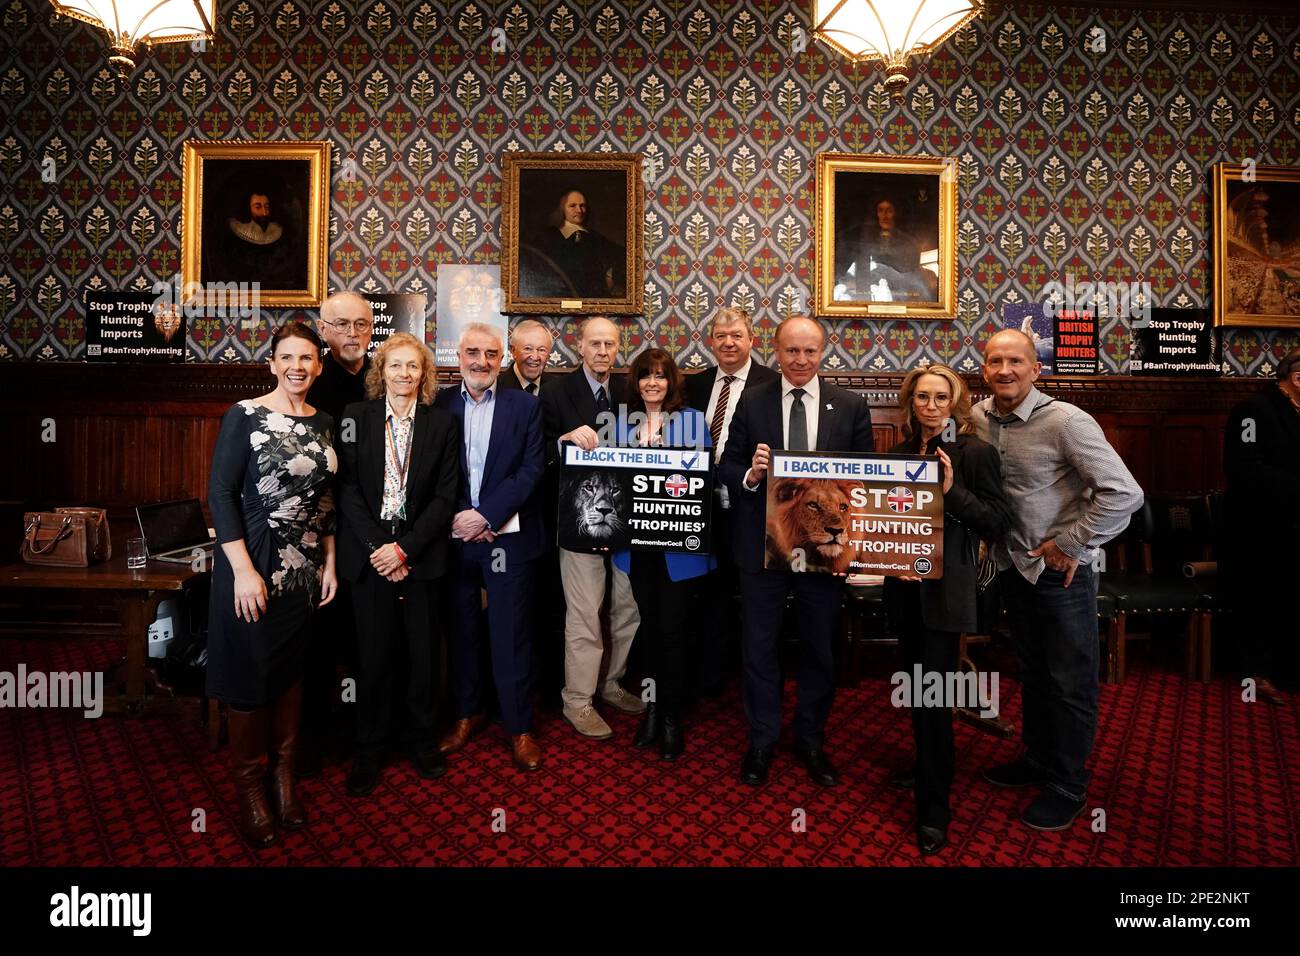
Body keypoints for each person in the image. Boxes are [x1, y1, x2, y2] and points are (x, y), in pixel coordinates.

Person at [973, 329, 1143, 831]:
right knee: (1033, 673)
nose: (1005, 370)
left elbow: (1123, 494)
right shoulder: (979, 418)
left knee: (1070, 681)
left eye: (1015, 362)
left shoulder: (1068, 422)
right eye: (994, 361)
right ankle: (1037, 759)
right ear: (983, 368)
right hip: (1012, 568)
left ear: (1036, 368)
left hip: (1061, 575)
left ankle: (1068, 782)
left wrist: (1070, 544)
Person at [718, 315, 875, 787]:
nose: (800, 360)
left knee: (818, 646)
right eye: (791, 351)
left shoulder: (849, 406)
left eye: (809, 351)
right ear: (777, 352)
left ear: (822, 351)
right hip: (762, 547)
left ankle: (811, 738)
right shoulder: (753, 401)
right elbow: (726, 465)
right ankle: (763, 738)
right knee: (759, 646)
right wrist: (751, 473)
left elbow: (866, 478)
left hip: (824, 552)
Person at [206, 321, 339, 848]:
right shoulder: (244, 415)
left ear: (319, 366)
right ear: (272, 363)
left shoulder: (325, 420)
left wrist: (328, 561)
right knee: (251, 673)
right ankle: (250, 789)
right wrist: (241, 569)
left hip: (304, 567)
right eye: (287, 358)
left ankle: (284, 779)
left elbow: (326, 500)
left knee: (289, 674)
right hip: (255, 560)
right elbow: (220, 493)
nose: (297, 368)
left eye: (307, 359)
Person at [882, 363, 1012, 855]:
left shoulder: (975, 452)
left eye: (940, 398)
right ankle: (926, 765)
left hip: (947, 589)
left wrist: (950, 489)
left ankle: (934, 808)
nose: (931, 406)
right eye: (922, 398)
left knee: (934, 694)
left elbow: (997, 520)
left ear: (954, 403)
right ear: (910, 402)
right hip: (903, 587)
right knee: (916, 687)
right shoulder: (897, 452)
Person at [336, 332, 460, 796]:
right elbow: (346, 490)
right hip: (370, 555)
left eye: (413, 366)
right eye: (395, 365)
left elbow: (446, 496)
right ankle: (369, 747)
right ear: (380, 371)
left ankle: (421, 739)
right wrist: (380, 549)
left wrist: (405, 549)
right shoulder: (355, 418)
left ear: (424, 374)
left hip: (420, 555)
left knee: (423, 656)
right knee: (373, 655)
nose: (405, 374)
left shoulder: (442, 424)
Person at [435, 323, 548, 771]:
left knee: (511, 634)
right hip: (456, 537)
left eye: (491, 353)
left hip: (508, 537)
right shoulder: (439, 403)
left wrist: (487, 516)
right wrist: (462, 516)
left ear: (504, 358)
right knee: (461, 630)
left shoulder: (525, 406)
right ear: (458, 355)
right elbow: (434, 471)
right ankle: (466, 714)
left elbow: (531, 469)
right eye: (472, 352)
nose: (481, 361)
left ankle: (518, 727)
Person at [541, 315, 645, 738]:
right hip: (579, 521)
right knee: (584, 614)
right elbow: (536, 449)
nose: (603, 352)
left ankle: (612, 682)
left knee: (626, 609)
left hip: (626, 519)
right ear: (578, 346)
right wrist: (563, 442)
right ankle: (578, 700)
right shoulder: (555, 392)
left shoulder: (629, 391)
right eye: (595, 344)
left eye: (611, 344)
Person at [612, 348, 716, 760]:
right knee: (651, 630)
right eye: (644, 376)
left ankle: (671, 717)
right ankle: (652, 710)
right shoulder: (619, 424)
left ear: (671, 382)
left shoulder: (691, 422)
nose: (652, 383)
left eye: (660, 376)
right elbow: (610, 482)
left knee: (673, 632)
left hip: (679, 550)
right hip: (638, 550)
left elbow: (699, 481)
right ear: (635, 383)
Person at [296, 290, 375, 778]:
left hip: (376, 532)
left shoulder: (384, 377)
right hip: (322, 533)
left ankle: (362, 736)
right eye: (341, 325)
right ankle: (312, 741)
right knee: (320, 643)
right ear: (322, 330)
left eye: (361, 324)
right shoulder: (310, 380)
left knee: (367, 640)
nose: (352, 333)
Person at [686, 308, 781, 699]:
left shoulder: (772, 384)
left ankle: (746, 677)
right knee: (708, 594)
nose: (728, 342)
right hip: (699, 506)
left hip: (750, 507)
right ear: (711, 342)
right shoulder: (694, 385)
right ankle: (709, 676)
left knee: (751, 595)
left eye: (736, 335)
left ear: (751, 340)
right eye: (721, 336)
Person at [1223, 347, 1300, 705]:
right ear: (1296, 377)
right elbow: (1246, 471)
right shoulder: (1252, 413)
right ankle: (1257, 673)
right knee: (1262, 599)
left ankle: (1289, 669)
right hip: (1258, 527)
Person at [523, 189, 625, 299]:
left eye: (582, 206)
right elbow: (533, 267)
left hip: (592, 300)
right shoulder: (547, 236)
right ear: (562, 209)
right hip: (557, 298)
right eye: (572, 206)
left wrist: (610, 277)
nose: (579, 210)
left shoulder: (595, 236)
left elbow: (621, 255)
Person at [834, 197, 936, 302]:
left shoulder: (908, 241)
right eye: (881, 211)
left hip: (901, 292)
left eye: (889, 211)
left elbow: (910, 272)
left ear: (896, 213)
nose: (884, 216)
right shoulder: (865, 239)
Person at [208, 188, 303, 290]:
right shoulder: (236, 231)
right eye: (258, 207)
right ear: (247, 208)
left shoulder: (278, 231)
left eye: (267, 206)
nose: (264, 213)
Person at [498, 319, 554, 395]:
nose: (535, 357)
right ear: (513, 351)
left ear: (548, 354)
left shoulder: (557, 388)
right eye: (528, 349)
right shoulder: (497, 387)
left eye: (541, 350)